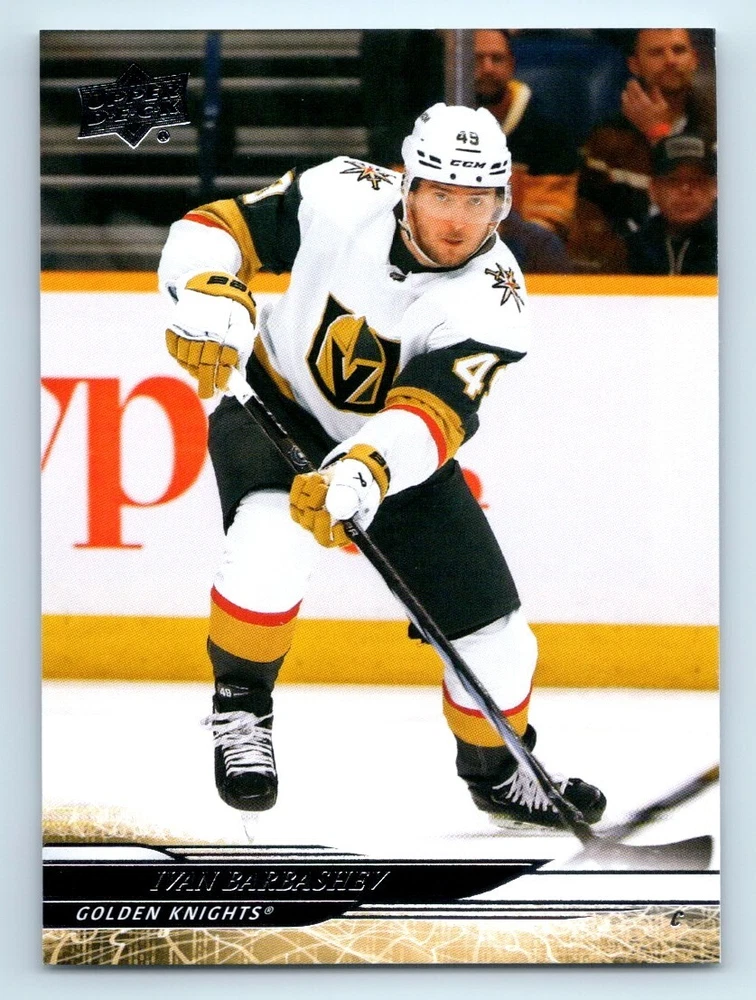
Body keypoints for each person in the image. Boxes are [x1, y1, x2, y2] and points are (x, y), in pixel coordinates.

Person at [157, 103, 606, 831]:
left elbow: (433, 414)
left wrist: (364, 472)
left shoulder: (496, 303)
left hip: (393, 461)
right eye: (442, 195)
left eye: (478, 200)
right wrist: (204, 287)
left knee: (499, 642)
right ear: (407, 185)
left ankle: (499, 772)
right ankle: (242, 709)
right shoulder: (340, 192)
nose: (457, 220)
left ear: (502, 202)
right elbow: (214, 227)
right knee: (269, 544)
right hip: (278, 405)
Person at [570, 28, 716, 272]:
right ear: (635, 65)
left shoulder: (725, 127)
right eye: (657, 53)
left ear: (694, 59)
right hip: (630, 273)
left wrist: (659, 136)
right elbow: (590, 225)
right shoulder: (607, 139)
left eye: (679, 50)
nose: (670, 60)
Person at [474, 29, 580, 240]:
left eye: (497, 59)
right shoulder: (429, 124)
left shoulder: (549, 129)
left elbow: (551, 218)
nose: (488, 68)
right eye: (476, 59)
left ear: (512, 65)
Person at [626, 134, 717, 276]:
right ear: (653, 190)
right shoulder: (632, 248)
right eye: (673, 181)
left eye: (697, 181)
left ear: (715, 188)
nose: (686, 190)